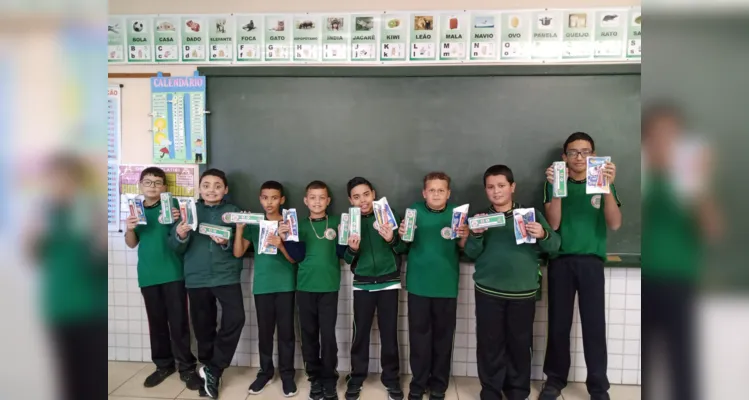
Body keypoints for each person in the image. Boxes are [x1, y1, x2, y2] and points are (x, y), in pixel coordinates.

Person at [641, 103, 720, 400]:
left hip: (680, 280)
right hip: (644, 280)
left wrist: (698, 182)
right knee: (645, 364)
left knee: (682, 365)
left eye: (671, 136)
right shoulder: (643, 176)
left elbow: (712, 231)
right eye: (656, 135)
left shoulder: (690, 180)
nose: (664, 143)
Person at [464, 165, 560, 400]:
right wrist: (476, 234)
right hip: (488, 291)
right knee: (489, 345)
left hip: (522, 293)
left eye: (501, 186)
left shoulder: (532, 215)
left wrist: (543, 234)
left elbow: (555, 247)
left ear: (512, 187)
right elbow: (471, 253)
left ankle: (517, 390)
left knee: (519, 345)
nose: (496, 191)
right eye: (490, 187)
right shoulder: (480, 219)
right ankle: (491, 390)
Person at [539, 132, 621, 400]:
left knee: (594, 325)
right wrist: (558, 188)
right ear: (564, 157)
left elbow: (615, 223)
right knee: (559, 324)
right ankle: (554, 379)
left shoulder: (603, 183)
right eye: (573, 152)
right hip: (561, 261)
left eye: (585, 152)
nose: (579, 157)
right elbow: (552, 224)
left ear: (594, 156)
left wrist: (607, 187)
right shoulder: (553, 182)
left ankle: (598, 386)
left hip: (591, 262)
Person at [124, 167, 201, 390]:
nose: (153, 186)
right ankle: (163, 365)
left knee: (179, 323)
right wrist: (129, 228)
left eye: (158, 183)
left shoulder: (174, 205)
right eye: (148, 182)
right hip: (148, 275)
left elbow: (185, 233)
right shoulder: (135, 211)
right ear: (140, 185)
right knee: (156, 323)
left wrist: (177, 221)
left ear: (164, 187)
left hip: (174, 274)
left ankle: (186, 368)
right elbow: (131, 243)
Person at [171, 168, 244, 399]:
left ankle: (214, 368)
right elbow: (176, 247)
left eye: (217, 186)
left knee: (236, 318)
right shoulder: (188, 211)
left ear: (226, 189)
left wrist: (226, 240)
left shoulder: (234, 213)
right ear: (199, 188)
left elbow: (240, 248)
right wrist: (181, 235)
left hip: (226, 275)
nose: (211, 190)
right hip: (197, 277)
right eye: (206, 185)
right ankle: (209, 371)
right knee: (203, 326)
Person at [398, 172, 468, 400]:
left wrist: (466, 236)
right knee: (419, 339)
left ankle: (439, 385)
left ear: (448, 193)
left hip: (446, 285)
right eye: (432, 190)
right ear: (424, 193)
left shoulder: (458, 214)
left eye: (441, 190)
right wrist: (402, 236)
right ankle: (418, 385)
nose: (436, 194)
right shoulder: (413, 212)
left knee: (443, 338)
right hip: (418, 286)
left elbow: (465, 248)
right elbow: (401, 247)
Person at [233, 181, 303, 397]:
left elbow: (293, 259)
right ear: (260, 199)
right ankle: (265, 373)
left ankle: (288, 375)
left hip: (285, 285)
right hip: (262, 286)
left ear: (282, 200)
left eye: (274, 198)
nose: (269, 202)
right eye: (265, 197)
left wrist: (281, 243)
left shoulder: (289, 223)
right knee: (265, 332)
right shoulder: (255, 224)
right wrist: (240, 229)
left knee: (286, 333)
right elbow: (238, 253)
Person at [342, 177, 407, 400]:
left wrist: (391, 239)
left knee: (389, 334)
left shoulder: (389, 215)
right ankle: (357, 377)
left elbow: (402, 247)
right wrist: (352, 249)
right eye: (356, 197)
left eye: (366, 194)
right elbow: (346, 257)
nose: (363, 200)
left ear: (373, 193)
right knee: (360, 333)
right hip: (363, 285)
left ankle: (391, 379)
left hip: (389, 283)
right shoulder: (349, 222)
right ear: (350, 200)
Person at [293, 181, 346, 400]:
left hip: (329, 287)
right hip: (305, 286)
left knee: (328, 335)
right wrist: (288, 237)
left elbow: (342, 253)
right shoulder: (298, 225)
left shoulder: (337, 222)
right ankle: (314, 378)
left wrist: (344, 236)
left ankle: (329, 378)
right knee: (309, 334)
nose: (317, 202)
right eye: (312, 197)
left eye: (321, 197)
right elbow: (296, 256)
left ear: (328, 200)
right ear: (306, 201)